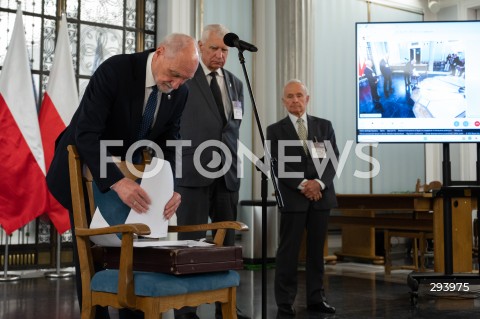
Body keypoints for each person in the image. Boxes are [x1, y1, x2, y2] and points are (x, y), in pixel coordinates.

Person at [46, 33, 199, 319]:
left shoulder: (180, 91)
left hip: (131, 172)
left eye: (185, 79)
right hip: (86, 168)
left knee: (135, 250)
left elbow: (170, 140)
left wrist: (171, 187)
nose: (176, 85)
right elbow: (86, 135)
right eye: (174, 74)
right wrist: (117, 181)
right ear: (160, 52)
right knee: (92, 255)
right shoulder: (115, 71)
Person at [173, 24, 249, 319]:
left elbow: (232, 126)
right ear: (201, 47)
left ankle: (225, 305)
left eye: (225, 50)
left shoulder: (235, 83)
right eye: (214, 48)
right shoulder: (186, 78)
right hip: (192, 172)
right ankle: (185, 309)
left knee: (226, 246)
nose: (220, 54)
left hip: (227, 174)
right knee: (189, 244)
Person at [267, 79, 338, 317]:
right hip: (293, 199)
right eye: (289, 96)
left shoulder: (324, 126)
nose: (295, 100)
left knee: (316, 253)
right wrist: (303, 185)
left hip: (321, 198)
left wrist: (317, 184)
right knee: (288, 252)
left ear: (307, 99)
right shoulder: (275, 130)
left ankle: (316, 298)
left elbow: (332, 161)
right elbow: (278, 164)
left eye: (299, 95)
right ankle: (285, 303)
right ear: (283, 101)